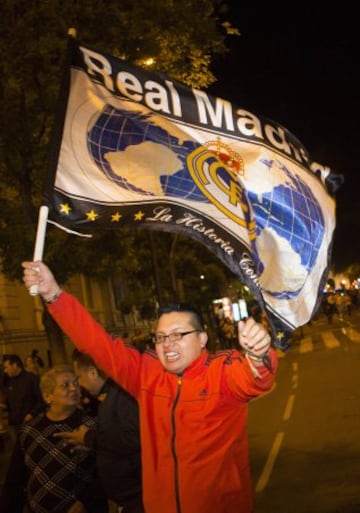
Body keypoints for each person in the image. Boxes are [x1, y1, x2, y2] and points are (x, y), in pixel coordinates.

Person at [22, 261, 278, 513]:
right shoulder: (146, 373)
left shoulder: (222, 369)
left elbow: (254, 379)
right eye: (161, 337)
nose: (168, 344)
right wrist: (53, 294)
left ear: (202, 339)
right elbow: (97, 344)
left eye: (179, 334)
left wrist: (258, 354)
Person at [0, 364, 108, 513]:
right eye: (65, 385)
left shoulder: (93, 425)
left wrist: (87, 500)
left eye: (75, 383)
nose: (73, 389)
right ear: (47, 396)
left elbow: (107, 471)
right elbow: (15, 479)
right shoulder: (30, 430)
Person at [55, 349, 144, 513]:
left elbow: (133, 438)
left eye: (79, 378)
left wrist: (89, 437)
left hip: (136, 498)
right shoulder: (109, 396)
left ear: (93, 372)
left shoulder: (121, 395)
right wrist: (88, 442)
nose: (79, 385)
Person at [2, 354, 44, 435]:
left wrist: (32, 414)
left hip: (29, 423)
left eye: (6, 367)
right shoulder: (8, 382)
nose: (5, 371)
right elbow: (8, 402)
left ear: (14, 365)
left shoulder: (32, 379)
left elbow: (40, 400)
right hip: (13, 425)